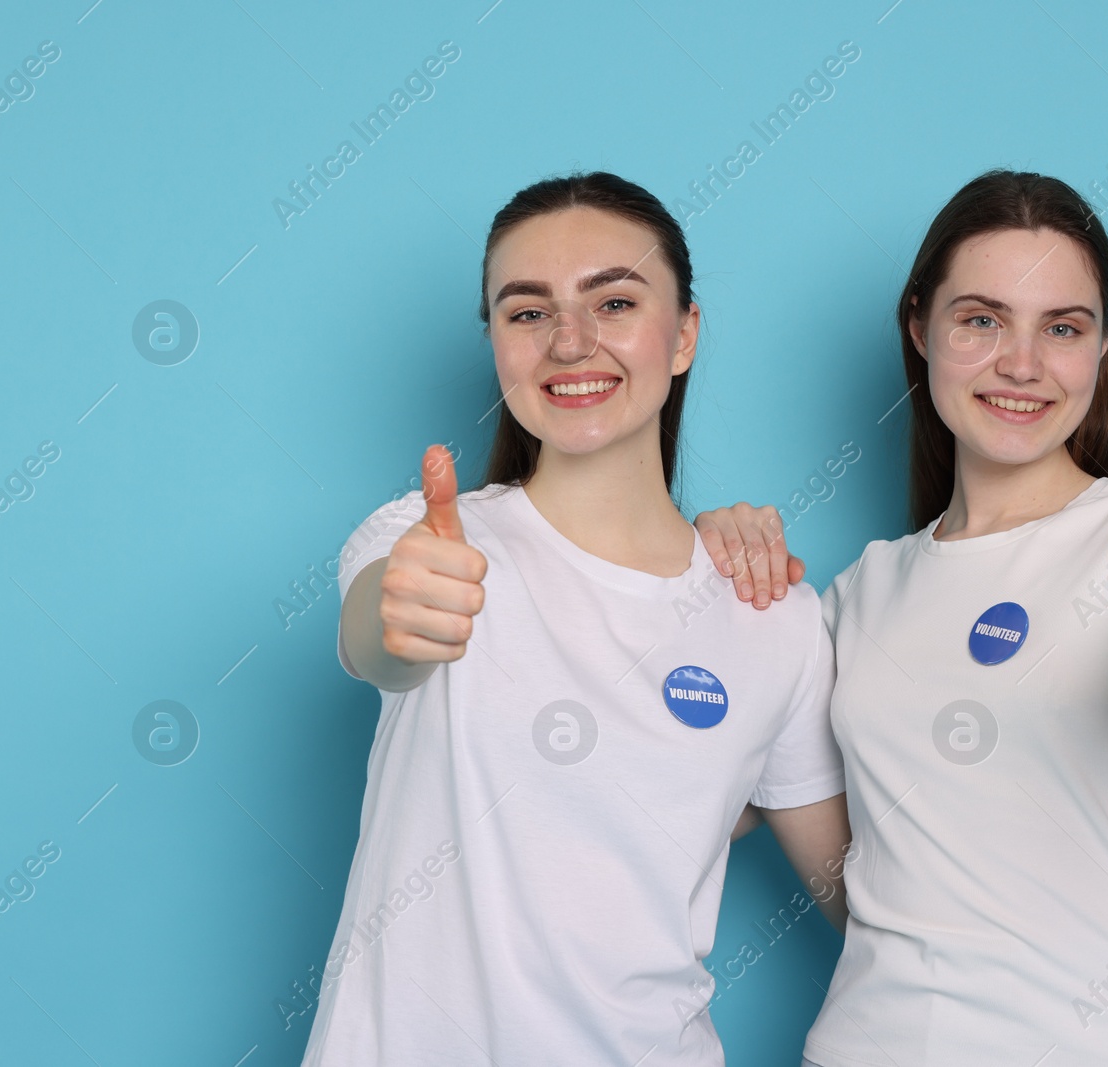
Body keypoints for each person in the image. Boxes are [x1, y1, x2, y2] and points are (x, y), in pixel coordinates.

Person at [695, 169, 1108, 1065]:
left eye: (1064, 328)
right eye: (981, 320)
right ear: (918, 327)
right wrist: (692, 583)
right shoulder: (855, 598)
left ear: (1103, 347)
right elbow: (685, 791)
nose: (1022, 364)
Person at [302, 171, 852, 1066]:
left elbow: (862, 901)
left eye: (616, 302)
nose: (571, 341)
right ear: (497, 344)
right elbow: (381, 638)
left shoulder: (774, 617)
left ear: (684, 336)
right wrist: (401, 616)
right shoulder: (423, 540)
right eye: (527, 312)